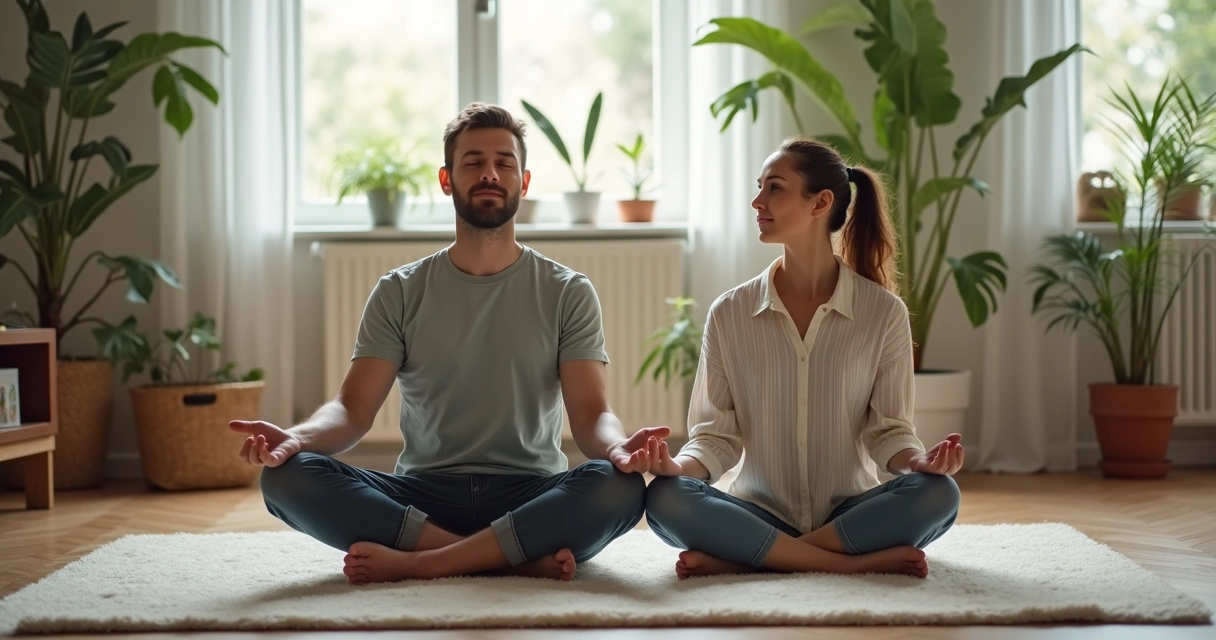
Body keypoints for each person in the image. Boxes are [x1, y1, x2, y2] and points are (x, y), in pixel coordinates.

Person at [230, 103, 670, 584]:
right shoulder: (399, 290)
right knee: (286, 478)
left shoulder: (567, 290)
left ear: (523, 183)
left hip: (529, 495)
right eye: (473, 162)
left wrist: (617, 449)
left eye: (504, 163)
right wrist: (297, 438)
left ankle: (427, 562)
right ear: (446, 180)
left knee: (619, 487)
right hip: (421, 497)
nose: (489, 173)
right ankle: (505, 559)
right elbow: (352, 411)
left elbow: (590, 417)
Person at [641, 136, 963, 580]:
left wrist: (918, 462)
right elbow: (715, 437)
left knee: (939, 494)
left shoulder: (882, 312)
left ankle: (750, 559)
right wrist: (675, 467)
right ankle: (851, 564)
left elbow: (888, 431)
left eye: (775, 187)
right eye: (760, 187)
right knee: (664, 498)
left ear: (820, 203)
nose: (758, 201)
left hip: (849, 515)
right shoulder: (730, 312)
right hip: (758, 512)